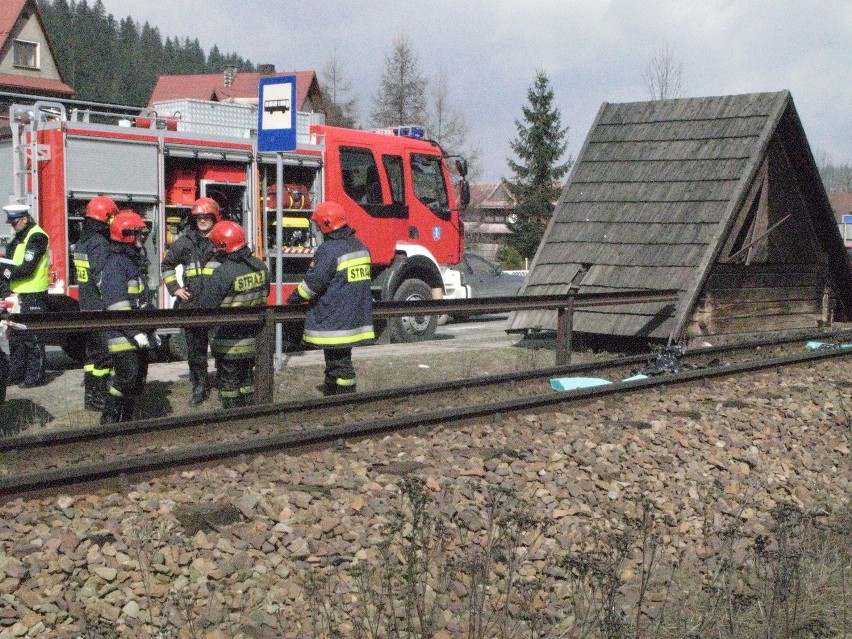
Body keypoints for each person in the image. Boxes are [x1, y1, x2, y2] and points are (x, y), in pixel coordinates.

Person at [287, 201, 374, 395]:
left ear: (326, 225)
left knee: (340, 366)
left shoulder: (329, 250)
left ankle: (342, 401)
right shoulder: (360, 246)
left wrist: (292, 299)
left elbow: (312, 285)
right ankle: (333, 396)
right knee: (339, 361)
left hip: (335, 321)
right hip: (355, 318)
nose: (317, 230)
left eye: (318, 226)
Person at [199, 221, 269, 408]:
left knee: (229, 383)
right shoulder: (260, 266)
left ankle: (232, 418)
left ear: (223, 246)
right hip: (253, 339)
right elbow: (265, 294)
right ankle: (249, 411)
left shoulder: (223, 272)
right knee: (247, 381)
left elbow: (206, 307)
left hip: (227, 342)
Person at [161, 196, 222, 405]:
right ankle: (199, 387)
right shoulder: (185, 242)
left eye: (206, 216)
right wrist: (175, 288)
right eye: (198, 217)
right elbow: (166, 264)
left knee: (222, 348)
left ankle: (225, 382)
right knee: (196, 353)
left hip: (218, 307)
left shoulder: (224, 238)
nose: (202, 220)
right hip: (193, 306)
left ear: (215, 217)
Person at [99, 210, 153, 424]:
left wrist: (151, 329)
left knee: (138, 380)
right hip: (122, 334)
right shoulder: (115, 265)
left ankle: (127, 423)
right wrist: (135, 332)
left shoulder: (132, 262)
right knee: (126, 378)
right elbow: (117, 304)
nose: (142, 237)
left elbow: (142, 299)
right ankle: (109, 421)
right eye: (138, 233)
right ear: (127, 234)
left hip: (137, 332)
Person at [72, 195, 119, 410]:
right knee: (104, 357)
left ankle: (90, 398)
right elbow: (102, 276)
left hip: (86, 307)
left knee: (92, 356)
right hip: (101, 308)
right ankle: (99, 398)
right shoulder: (100, 242)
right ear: (106, 217)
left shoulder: (83, 241)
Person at [1, 203, 49, 388]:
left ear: (24, 219)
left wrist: (5, 272)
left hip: (33, 293)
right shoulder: (18, 238)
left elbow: (27, 269)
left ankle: (36, 377)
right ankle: (17, 373)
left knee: (33, 336)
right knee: (15, 336)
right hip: (16, 293)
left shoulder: (37, 236)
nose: (12, 227)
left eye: (14, 223)